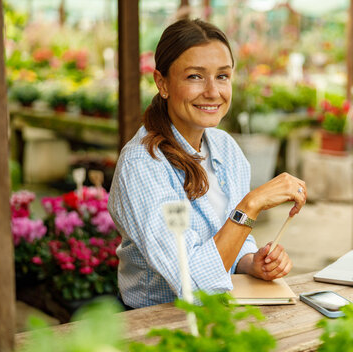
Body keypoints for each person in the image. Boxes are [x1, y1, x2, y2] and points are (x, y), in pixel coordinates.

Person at [108, 18, 307, 309]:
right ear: (162, 83)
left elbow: (232, 243)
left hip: (221, 312)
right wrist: (250, 206)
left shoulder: (225, 148)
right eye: (195, 77)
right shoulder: (143, 164)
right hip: (156, 324)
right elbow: (193, 284)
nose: (213, 92)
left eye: (223, 76)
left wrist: (251, 263)